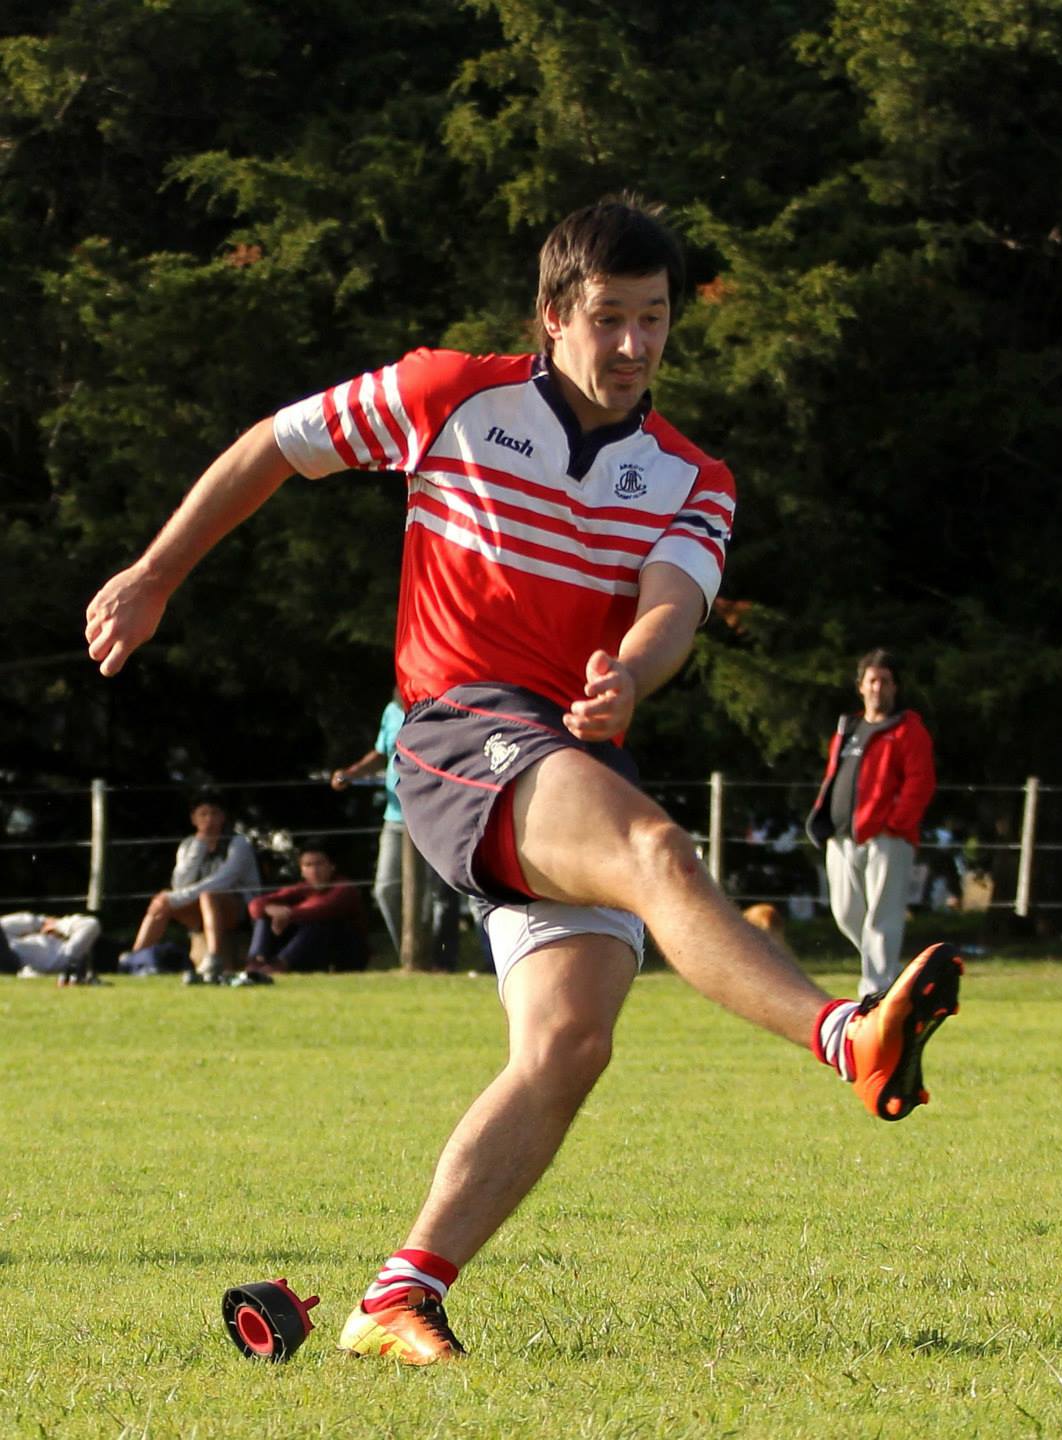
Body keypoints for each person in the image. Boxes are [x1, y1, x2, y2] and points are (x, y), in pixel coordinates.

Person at [84, 195, 962, 1365]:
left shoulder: (692, 474)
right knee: (658, 855)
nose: (637, 345)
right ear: (552, 316)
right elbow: (272, 448)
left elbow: (671, 606)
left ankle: (396, 1295)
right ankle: (847, 1038)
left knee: (568, 1046)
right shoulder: (448, 393)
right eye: (611, 320)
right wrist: (153, 575)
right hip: (458, 737)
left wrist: (632, 680)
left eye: (654, 320)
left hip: (569, 758)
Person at [804, 649, 936, 997]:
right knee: (846, 912)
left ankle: (875, 992)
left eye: (885, 681)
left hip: (887, 838)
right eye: (872, 680)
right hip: (843, 836)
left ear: (895, 687)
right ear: (860, 686)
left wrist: (895, 822)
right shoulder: (849, 727)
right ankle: (892, 976)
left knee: (883, 916)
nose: (878, 687)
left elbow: (920, 781)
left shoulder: (908, 729)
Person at [331, 691, 464, 967]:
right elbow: (382, 753)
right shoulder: (391, 710)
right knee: (385, 889)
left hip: (434, 815)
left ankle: (439, 961)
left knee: (437, 894)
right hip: (395, 817)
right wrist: (351, 773)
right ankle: (412, 954)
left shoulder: (443, 706)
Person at [119, 795, 262, 984]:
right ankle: (135, 959)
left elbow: (223, 881)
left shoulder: (238, 844)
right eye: (203, 814)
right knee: (162, 903)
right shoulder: (188, 845)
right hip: (198, 910)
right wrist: (199, 846)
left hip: (237, 910)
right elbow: (180, 882)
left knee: (208, 896)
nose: (208, 819)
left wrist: (176, 898)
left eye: (214, 814)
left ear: (223, 817)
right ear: (193, 819)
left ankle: (214, 959)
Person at [242, 845, 371, 978]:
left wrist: (287, 914)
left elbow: (321, 909)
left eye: (319, 864)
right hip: (309, 949)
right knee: (264, 916)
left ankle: (280, 965)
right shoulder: (301, 888)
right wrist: (268, 909)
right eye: (308, 865)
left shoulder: (343, 888)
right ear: (302, 871)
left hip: (343, 950)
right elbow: (255, 905)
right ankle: (256, 962)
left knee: (319, 923)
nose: (314, 870)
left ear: (332, 866)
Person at [4, 910, 103, 983]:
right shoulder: (66, 955)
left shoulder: (67, 954)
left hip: (56, 957)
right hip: (15, 959)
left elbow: (36, 921)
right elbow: (37, 921)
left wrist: (55, 926)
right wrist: (57, 926)